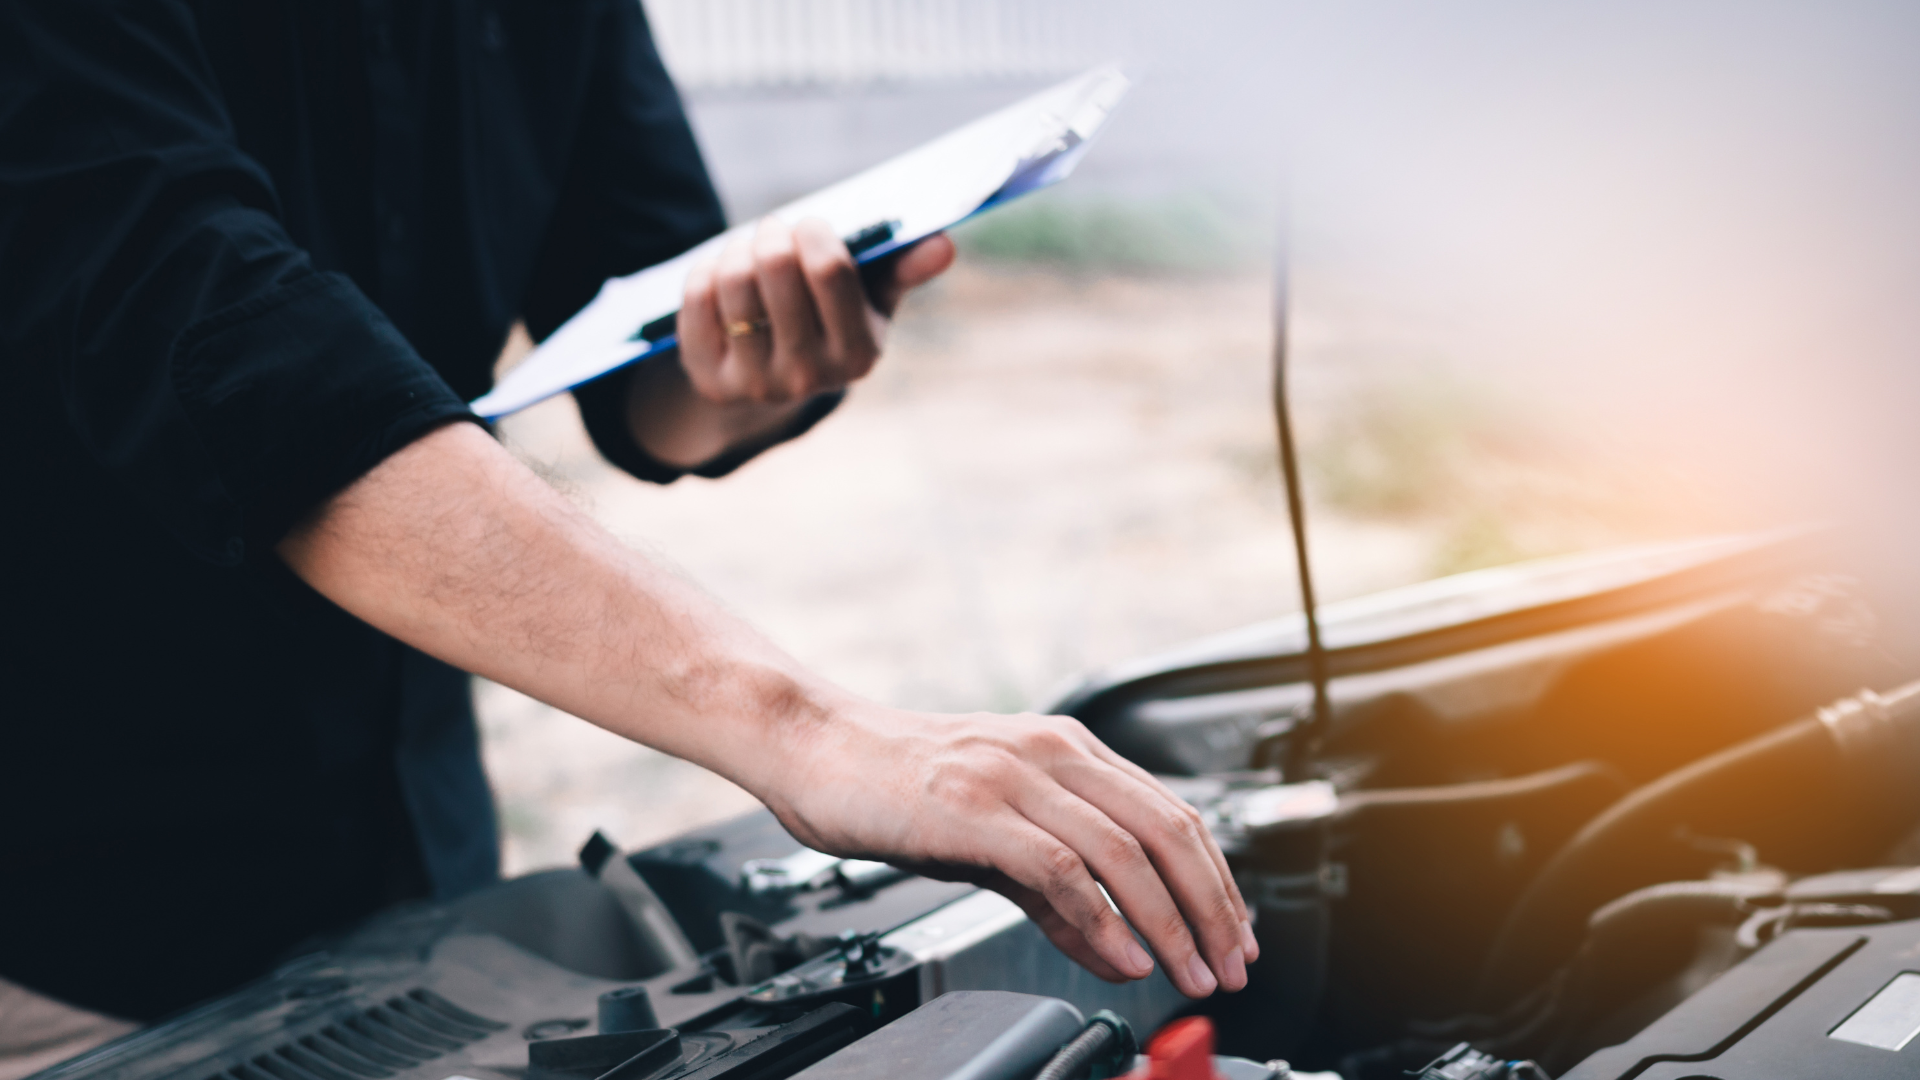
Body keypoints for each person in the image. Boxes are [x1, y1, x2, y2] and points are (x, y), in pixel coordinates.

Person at [0, 0, 1256, 1062]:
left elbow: (646, 382)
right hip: (71, 930)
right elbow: (224, 352)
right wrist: (805, 732)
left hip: (417, 870)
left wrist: (768, 355)